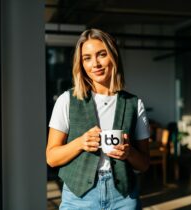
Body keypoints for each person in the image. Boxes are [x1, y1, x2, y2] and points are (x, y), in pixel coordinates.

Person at [46, 28, 150, 210]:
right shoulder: (66, 100)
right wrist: (80, 143)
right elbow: (51, 158)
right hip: (79, 197)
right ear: (81, 64)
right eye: (87, 58)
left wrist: (129, 153)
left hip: (123, 198)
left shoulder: (134, 103)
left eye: (101, 54)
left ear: (114, 56)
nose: (95, 64)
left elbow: (144, 165)